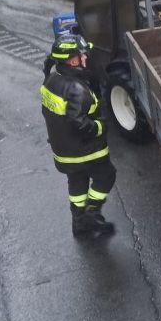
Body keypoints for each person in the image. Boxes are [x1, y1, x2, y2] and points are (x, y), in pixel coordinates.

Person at [40, 34, 117, 238]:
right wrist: (100, 127)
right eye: (82, 55)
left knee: (77, 183)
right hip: (83, 151)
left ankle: (78, 222)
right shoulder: (76, 89)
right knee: (106, 175)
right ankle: (92, 213)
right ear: (71, 60)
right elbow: (78, 122)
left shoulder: (51, 79)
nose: (85, 59)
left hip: (63, 151)